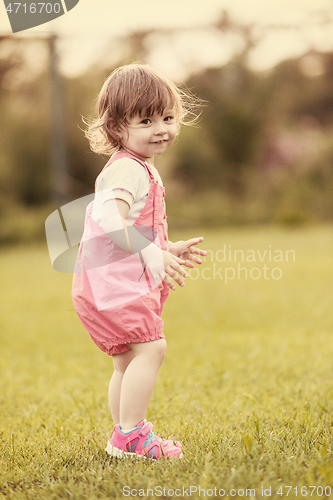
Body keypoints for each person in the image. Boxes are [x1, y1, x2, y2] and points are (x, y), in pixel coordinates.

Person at [72, 63, 206, 460]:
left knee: (127, 359)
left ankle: (122, 437)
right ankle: (132, 435)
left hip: (102, 284)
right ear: (117, 127)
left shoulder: (135, 166)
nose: (160, 128)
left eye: (167, 117)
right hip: (114, 286)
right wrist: (150, 252)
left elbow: (131, 226)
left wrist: (164, 247)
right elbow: (110, 217)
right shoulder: (129, 170)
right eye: (145, 120)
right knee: (152, 349)